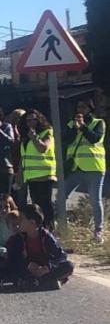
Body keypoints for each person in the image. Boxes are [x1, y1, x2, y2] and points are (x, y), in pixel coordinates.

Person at [64, 99, 105, 242]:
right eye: (78, 107)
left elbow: (95, 138)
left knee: (95, 200)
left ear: (90, 108)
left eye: (83, 106)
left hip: (94, 166)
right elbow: (66, 140)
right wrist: (75, 127)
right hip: (75, 168)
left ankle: (98, 231)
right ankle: (62, 227)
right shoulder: (71, 123)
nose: (80, 109)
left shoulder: (98, 123)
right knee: (61, 197)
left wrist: (82, 127)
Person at [6, 204, 73, 290]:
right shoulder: (17, 238)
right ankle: (45, 282)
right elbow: (12, 260)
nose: (18, 222)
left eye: (22, 219)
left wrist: (48, 267)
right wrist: (27, 265)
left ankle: (38, 282)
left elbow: (60, 255)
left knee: (68, 266)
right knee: (11, 271)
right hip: (27, 270)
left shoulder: (46, 236)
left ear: (32, 223)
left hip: (43, 270)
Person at [17, 109, 56, 230]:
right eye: (28, 120)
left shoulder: (47, 132)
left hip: (45, 175)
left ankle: (50, 228)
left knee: (45, 204)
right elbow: (24, 158)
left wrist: (34, 137)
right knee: (36, 206)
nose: (31, 122)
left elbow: (42, 148)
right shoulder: (25, 138)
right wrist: (19, 175)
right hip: (32, 177)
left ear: (39, 120)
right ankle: (41, 228)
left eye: (34, 119)